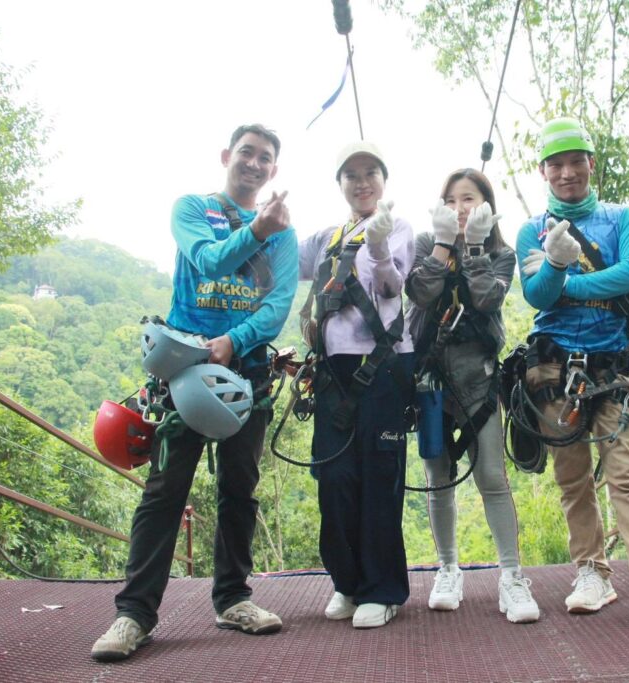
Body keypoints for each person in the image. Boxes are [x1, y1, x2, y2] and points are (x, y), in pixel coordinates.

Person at [91, 124, 299, 661]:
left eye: (265, 158)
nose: (254, 164)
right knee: (165, 490)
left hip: (246, 374)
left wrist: (235, 340)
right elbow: (208, 260)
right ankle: (133, 614)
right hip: (183, 371)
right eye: (247, 153)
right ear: (227, 156)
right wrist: (257, 231)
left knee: (240, 487)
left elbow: (278, 305)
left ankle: (233, 598)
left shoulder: (283, 230)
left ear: (273, 170)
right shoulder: (191, 209)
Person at [516, 117, 629, 632]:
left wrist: (566, 279)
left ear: (591, 165)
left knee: (628, 476)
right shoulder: (533, 229)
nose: (567, 173)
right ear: (544, 171)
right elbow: (535, 296)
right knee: (572, 478)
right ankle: (592, 573)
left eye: (576, 162)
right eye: (557, 165)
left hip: (613, 366)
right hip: (554, 368)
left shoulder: (620, 219)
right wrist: (555, 270)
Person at [405, 169, 539, 624]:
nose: (460, 208)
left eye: (469, 198)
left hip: (480, 377)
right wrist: (444, 246)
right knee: (436, 476)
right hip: (433, 379)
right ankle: (447, 568)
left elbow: (486, 301)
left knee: (492, 478)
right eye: (451, 199)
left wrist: (476, 250)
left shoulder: (502, 253)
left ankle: (511, 575)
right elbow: (420, 292)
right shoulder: (427, 245)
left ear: (485, 204)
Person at [298, 142, 415, 629]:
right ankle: (346, 580)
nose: (361, 182)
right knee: (335, 477)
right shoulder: (325, 237)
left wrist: (381, 247)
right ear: (340, 183)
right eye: (351, 174)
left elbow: (392, 289)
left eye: (370, 172)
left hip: (383, 364)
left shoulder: (399, 227)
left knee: (378, 476)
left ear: (384, 180)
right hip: (332, 370)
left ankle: (382, 589)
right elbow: (287, 268)